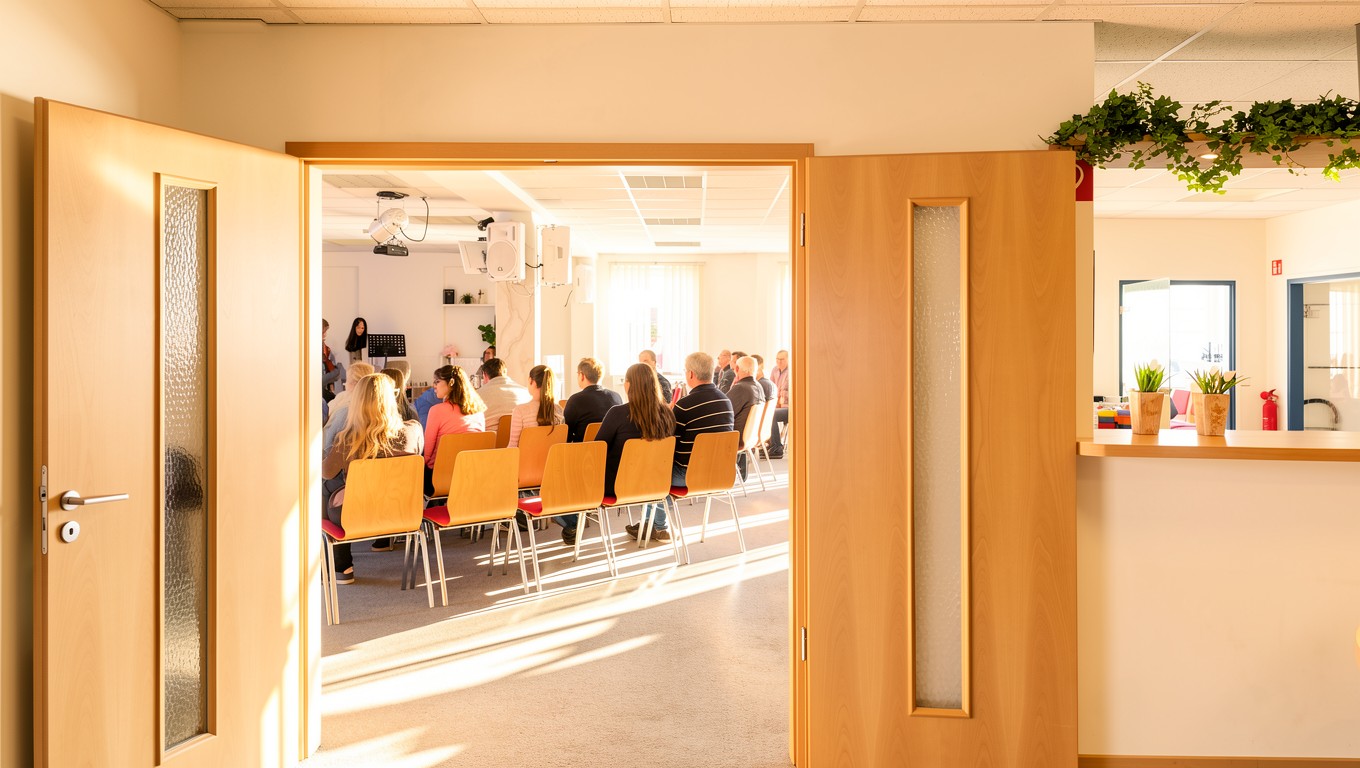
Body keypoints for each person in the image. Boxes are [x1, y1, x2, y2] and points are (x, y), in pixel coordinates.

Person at [321, 373, 423, 584]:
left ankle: (341, 566)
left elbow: (325, 472)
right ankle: (382, 541)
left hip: (357, 513)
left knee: (325, 485)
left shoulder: (346, 439)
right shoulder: (413, 430)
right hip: (403, 510)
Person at [625, 351, 733, 542]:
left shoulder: (685, 405)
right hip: (719, 472)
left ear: (691, 374)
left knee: (654, 472)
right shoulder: (726, 401)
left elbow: (669, 443)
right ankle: (649, 525)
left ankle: (659, 527)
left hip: (688, 475)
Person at [562, 363, 674, 545]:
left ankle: (572, 523)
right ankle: (656, 525)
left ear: (629, 385)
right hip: (654, 484)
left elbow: (597, 449)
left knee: (572, 472)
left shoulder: (618, 414)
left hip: (617, 486)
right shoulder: (667, 415)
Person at [422, 365, 486, 495]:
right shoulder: (479, 411)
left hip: (439, 478)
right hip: (471, 474)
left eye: (437, 381)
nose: (434, 386)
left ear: (450, 383)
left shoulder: (436, 410)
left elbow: (428, 455)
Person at [322, 362, 375, 458]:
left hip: (338, 463)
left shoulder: (344, 410)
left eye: (346, 381)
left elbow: (326, 444)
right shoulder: (378, 407)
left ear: (353, 383)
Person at [725, 355, 766, 481]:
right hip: (748, 437)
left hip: (735, 438)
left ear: (736, 368)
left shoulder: (741, 388)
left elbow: (724, 411)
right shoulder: (758, 387)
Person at [564, 357, 621, 442]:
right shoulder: (616, 397)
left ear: (582, 375)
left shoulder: (575, 400)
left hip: (582, 452)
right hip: (608, 452)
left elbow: (566, 434)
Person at [507, 364, 564, 448]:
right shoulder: (559, 410)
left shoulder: (520, 411)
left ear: (531, 381)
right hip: (552, 460)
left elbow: (513, 447)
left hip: (525, 460)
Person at [478, 358, 531, 433]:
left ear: (485, 375)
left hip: (489, 441)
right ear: (505, 372)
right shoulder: (525, 392)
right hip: (519, 440)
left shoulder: (476, 395)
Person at [767, 349, 790, 459]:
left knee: (772, 414)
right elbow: (771, 388)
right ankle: (769, 444)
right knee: (765, 412)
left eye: (782, 359)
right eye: (777, 359)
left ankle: (776, 447)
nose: (779, 362)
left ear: (788, 359)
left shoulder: (792, 371)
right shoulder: (774, 370)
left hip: (789, 408)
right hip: (777, 405)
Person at [321, 318, 345, 401]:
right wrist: (337, 370)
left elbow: (330, 368)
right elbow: (320, 380)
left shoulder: (326, 349)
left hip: (324, 388)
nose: (325, 335)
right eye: (323, 332)